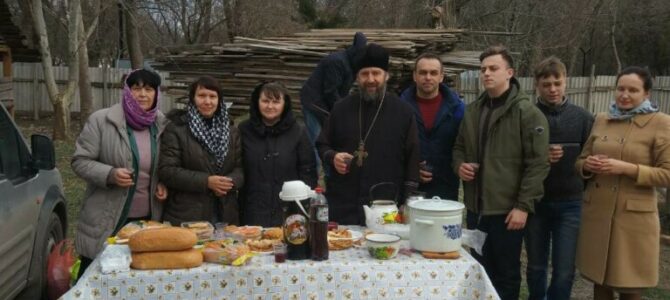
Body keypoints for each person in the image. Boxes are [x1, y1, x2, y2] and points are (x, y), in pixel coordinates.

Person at [452, 45, 550, 300]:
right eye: (483, 69)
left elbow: (538, 164)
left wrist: (523, 206)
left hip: (508, 212)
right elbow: (459, 148)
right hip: (476, 211)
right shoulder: (473, 111)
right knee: (480, 272)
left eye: (493, 68)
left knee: (506, 275)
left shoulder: (527, 113)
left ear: (510, 73)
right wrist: (459, 165)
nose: (486, 73)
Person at [575, 66, 670, 300]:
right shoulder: (601, 119)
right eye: (620, 88)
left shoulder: (661, 123)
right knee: (600, 282)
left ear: (646, 93)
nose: (624, 94)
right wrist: (588, 165)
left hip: (633, 221)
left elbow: (667, 174)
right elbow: (580, 160)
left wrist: (627, 169)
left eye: (632, 90)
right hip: (597, 214)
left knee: (629, 287)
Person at [72, 69, 168, 277]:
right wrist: (109, 174)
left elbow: (167, 164)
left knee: (140, 278)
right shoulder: (102, 120)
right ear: (126, 91)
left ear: (157, 93)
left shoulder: (162, 124)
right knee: (97, 277)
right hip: (108, 219)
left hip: (149, 218)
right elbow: (80, 161)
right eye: (136, 88)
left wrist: (162, 183)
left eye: (149, 89)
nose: (142, 94)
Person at [316, 43, 420, 225]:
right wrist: (333, 157)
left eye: (376, 73)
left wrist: (407, 201)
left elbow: (412, 157)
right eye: (364, 74)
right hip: (343, 205)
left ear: (386, 76)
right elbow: (322, 144)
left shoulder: (403, 112)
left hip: (385, 205)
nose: (370, 79)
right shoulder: (341, 108)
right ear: (357, 77)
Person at [525, 56, 594, 300]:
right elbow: (514, 156)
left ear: (566, 82)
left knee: (564, 270)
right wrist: (539, 156)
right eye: (546, 84)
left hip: (571, 204)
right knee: (535, 267)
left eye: (557, 83)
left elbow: (590, 159)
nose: (552, 89)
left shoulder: (584, 117)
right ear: (537, 85)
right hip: (535, 202)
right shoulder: (527, 115)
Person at [158, 76, 243, 225]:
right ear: (192, 98)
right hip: (188, 215)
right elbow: (167, 171)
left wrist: (228, 183)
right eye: (202, 96)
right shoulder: (177, 129)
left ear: (219, 100)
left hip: (225, 213)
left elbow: (240, 168)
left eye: (213, 96)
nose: (208, 102)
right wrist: (206, 182)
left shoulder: (231, 131)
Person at [239, 82, 317, 227]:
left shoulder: (298, 131)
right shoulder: (244, 130)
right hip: (253, 208)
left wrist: (304, 203)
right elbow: (237, 166)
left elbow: (308, 169)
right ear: (257, 102)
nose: (270, 106)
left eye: (276, 101)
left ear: (284, 104)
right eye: (265, 101)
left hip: (290, 208)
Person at [400, 53, 464, 200]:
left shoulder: (458, 109)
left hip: (446, 191)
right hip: (409, 191)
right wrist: (410, 169)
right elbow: (391, 149)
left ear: (441, 76)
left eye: (433, 73)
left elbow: (463, 148)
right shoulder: (400, 109)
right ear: (415, 76)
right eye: (423, 72)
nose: (428, 77)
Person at [300, 32, 367, 171]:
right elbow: (331, 91)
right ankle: (316, 173)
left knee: (329, 137)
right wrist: (342, 111)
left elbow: (343, 91)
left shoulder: (352, 65)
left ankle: (329, 169)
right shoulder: (337, 62)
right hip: (314, 103)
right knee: (317, 139)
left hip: (325, 104)